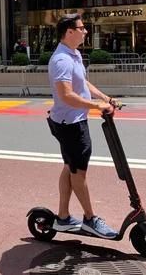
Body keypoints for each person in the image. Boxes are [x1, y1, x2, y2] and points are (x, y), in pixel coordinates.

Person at [47, 14, 118, 238]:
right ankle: (90, 219)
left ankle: (63, 217)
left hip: (72, 121)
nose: (85, 31)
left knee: (70, 167)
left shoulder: (74, 54)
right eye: (81, 28)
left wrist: (105, 98)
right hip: (71, 124)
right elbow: (66, 95)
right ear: (69, 32)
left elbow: (82, 82)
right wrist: (96, 105)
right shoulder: (62, 60)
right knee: (78, 173)